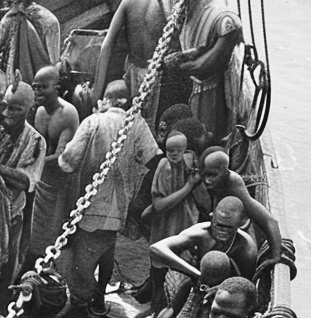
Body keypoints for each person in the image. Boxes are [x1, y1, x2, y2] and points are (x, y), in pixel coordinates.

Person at [57, 81, 160, 316]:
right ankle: (99, 298)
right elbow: (153, 158)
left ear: (108, 100)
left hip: (90, 200)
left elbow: (68, 161)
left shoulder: (93, 121)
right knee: (108, 246)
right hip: (120, 202)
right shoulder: (137, 123)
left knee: (84, 252)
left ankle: (81, 297)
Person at [25, 66, 80, 270]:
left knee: (53, 234)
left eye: (43, 88)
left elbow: (60, 157)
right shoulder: (39, 111)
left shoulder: (67, 114)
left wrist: (31, 163)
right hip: (40, 180)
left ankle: (45, 272)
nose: (37, 93)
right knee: (35, 232)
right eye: (34, 88)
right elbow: (35, 145)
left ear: (56, 88)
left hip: (60, 183)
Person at [167, 0, 243, 144]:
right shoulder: (186, 11)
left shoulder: (225, 20)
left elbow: (201, 67)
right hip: (191, 87)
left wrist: (175, 64)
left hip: (211, 93)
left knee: (207, 137)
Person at [0, 79, 47, 283]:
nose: (7, 113)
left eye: (15, 109)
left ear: (28, 108)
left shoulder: (36, 141)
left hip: (11, 212)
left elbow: (26, 182)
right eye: (5, 106)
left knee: (6, 266)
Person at [148, 131, 207, 315]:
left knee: (181, 277)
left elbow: (204, 203)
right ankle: (154, 310)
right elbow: (159, 206)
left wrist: (196, 182)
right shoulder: (164, 167)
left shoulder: (190, 163)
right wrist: (188, 187)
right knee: (158, 272)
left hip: (184, 229)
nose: (172, 155)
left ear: (185, 150)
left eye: (177, 151)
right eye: (168, 151)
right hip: (164, 229)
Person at [94, 0, 173, 129]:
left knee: (134, 127)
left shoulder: (128, 2)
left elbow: (106, 46)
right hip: (157, 75)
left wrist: (96, 93)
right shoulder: (169, 6)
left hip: (136, 73)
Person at [150, 195, 259, 287]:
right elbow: (156, 249)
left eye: (229, 228)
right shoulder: (201, 233)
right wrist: (197, 275)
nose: (223, 231)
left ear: (240, 224)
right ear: (212, 218)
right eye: (219, 225)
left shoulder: (246, 249)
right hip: (196, 282)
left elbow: (246, 286)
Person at [200, 149, 283, 267]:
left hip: (232, 235)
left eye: (212, 175)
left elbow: (269, 221)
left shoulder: (233, 184)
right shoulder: (214, 181)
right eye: (205, 175)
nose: (207, 180)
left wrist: (276, 257)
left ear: (225, 172)